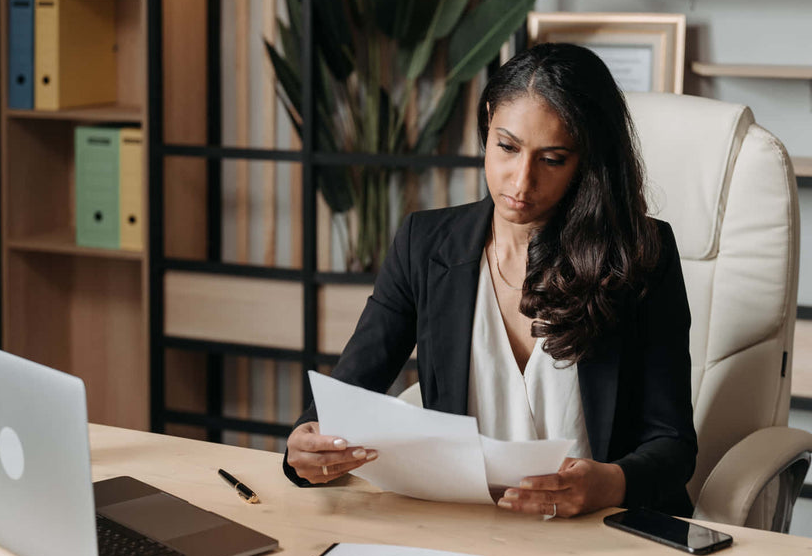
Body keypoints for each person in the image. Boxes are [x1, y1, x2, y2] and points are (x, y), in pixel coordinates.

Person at [284, 42, 696, 518]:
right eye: (507, 147)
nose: (520, 183)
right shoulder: (425, 244)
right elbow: (349, 392)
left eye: (553, 159)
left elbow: (673, 446)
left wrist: (608, 484)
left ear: (588, 160)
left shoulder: (641, 254)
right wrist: (307, 443)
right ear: (486, 125)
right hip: (467, 525)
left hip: (599, 528)